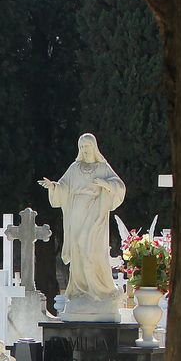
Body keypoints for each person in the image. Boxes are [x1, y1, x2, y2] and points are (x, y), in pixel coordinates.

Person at [39, 134, 126, 315]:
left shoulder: (102, 167)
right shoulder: (74, 168)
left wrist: (106, 184)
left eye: (88, 146)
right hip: (76, 214)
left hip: (95, 213)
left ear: (94, 147)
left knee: (91, 251)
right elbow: (64, 187)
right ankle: (81, 291)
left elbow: (119, 186)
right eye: (82, 147)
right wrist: (53, 187)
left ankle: (100, 291)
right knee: (78, 250)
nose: (85, 150)